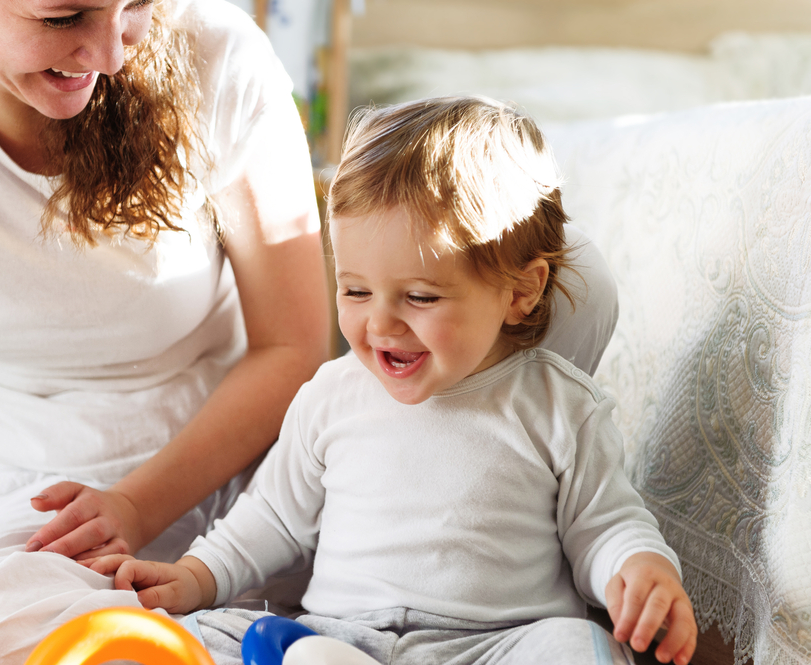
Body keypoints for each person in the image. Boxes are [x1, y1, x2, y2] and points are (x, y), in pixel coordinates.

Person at [0, 0, 614, 661]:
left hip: (264, 476)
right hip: (53, 511)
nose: (110, 53)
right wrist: (112, 518)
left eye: (133, 7)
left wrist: (139, 503)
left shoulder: (218, 52)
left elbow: (290, 348)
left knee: (562, 268)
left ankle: (495, 550)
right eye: (63, 18)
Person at [82, 96, 698, 665]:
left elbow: (605, 526)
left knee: (576, 644)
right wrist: (195, 577)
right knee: (224, 636)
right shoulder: (332, 396)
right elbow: (272, 517)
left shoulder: (559, 405)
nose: (380, 323)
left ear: (521, 291)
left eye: (421, 296)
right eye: (354, 290)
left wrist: (639, 569)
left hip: (496, 646)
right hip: (348, 638)